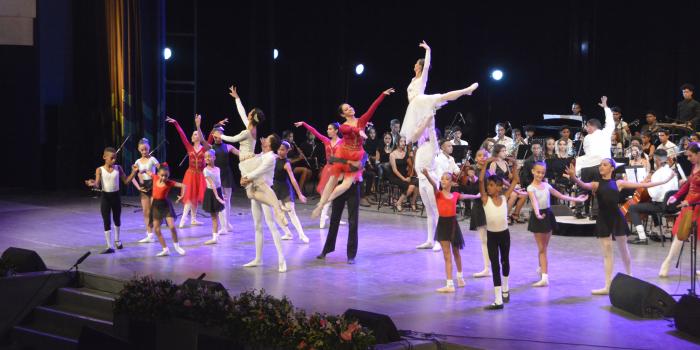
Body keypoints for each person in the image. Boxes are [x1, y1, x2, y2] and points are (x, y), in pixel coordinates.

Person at [399, 41, 478, 251]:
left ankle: (466, 91)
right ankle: (429, 239)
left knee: (442, 97)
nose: (417, 67)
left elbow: (426, 68)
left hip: (420, 103)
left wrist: (428, 50)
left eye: (419, 65)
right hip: (414, 108)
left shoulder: (421, 78)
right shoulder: (412, 79)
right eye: (418, 65)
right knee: (428, 207)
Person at [567, 159, 675, 294]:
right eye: (600, 165)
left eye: (605, 165)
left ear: (612, 168)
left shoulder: (619, 183)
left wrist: (665, 181)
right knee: (607, 252)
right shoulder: (596, 184)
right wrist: (573, 177)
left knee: (623, 250)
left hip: (617, 218)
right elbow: (582, 184)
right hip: (603, 219)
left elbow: (642, 185)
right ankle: (607, 285)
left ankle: (629, 276)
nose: (601, 167)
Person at [312, 88, 395, 218]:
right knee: (333, 178)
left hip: (357, 154)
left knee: (347, 184)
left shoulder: (362, 121)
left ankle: (324, 204)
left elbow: (372, 108)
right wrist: (359, 131)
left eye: (349, 107)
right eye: (346, 109)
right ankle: (321, 203)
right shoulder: (343, 125)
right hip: (344, 153)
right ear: (343, 115)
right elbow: (348, 129)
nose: (350, 109)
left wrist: (382, 95)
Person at [224, 86, 288, 226]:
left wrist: (220, 135)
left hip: (248, 163)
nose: (248, 113)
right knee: (255, 191)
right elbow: (242, 113)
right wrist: (237, 99)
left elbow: (234, 138)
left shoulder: (249, 131)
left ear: (252, 116)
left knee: (255, 190)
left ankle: (276, 206)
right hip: (248, 162)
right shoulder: (252, 128)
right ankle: (277, 206)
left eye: (250, 112)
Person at [527, 162, 587, 287]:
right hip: (538, 217)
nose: (540, 175)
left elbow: (560, 196)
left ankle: (541, 267)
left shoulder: (547, 185)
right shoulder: (530, 188)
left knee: (544, 247)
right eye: (538, 172)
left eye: (543, 173)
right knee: (542, 248)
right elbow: (534, 203)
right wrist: (537, 214)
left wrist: (577, 199)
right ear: (533, 171)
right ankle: (544, 277)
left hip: (548, 215)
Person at [423, 168, 481, 292]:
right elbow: (434, 184)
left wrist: (477, 196)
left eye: (447, 179)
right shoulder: (438, 193)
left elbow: (465, 196)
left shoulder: (455, 195)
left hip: (453, 225)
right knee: (447, 255)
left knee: (456, 253)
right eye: (442, 179)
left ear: (452, 183)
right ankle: (449, 285)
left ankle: (460, 277)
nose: (443, 180)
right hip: (443, 225)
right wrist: (427, 175)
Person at [240, 134, 288, 273]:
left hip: (265, 191)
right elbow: (250, 165)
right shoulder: (262, 154)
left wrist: (245, 179)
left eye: (268, 138)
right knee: (257, 226)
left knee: (272, 225)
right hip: (254, 190)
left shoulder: (271, 157)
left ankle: (281, 259)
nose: (265, 138)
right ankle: (258, 258)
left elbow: (257, 172)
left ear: (271, 143)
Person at [480, 157, 520, 310]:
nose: (488, 188)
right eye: (488, 186)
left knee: (505, 261)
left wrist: (515, 165)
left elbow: (515, 179)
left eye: (491, 185)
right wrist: (486, 164)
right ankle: (498, 300)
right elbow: (480, 181)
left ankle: (505, 288)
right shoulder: (485, 199)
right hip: (492, 236)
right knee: (495, 265)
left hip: (504, 235)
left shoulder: (504, 197)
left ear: (499, 187)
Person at [84, 147, 138, 254]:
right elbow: (98, 183)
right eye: (112, 158)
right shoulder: (99, 169)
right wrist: (92, 183)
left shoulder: (118, 168)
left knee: (117, 219)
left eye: (115, 158)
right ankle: (109, 246)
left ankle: (117, 240)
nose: (114, 160)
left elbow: (126, 182)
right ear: (104, 157)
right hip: (106, 198)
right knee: (106, 220)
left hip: (116, 197)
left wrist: (134, 172)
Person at [295, 121, 343, 229]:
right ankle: (323, 216)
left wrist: (362, 126)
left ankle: (335, 217)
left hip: (338, 170)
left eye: (330, 129)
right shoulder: (326, 141)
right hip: (328, 169)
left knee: (336, 196)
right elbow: (315, 132)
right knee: (327, 195)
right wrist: (304, 124)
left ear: (336, 131)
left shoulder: (342, 142)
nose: (327, 131)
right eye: (327, 129)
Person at [662, 142, 700, 278]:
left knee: (698, 239)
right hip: (688, 205)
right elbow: (689, 184)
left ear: (698, 154)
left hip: (697, 205)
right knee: (679, 235)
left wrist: (688, 201)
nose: (688, 159)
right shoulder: (695, 166)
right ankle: (667, 262)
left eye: (690, 156)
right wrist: (676, 196)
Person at [574, 96, 615, 219]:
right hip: (599, 166)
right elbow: (611, 122)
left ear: (592, 126)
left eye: (587, 126)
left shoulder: (587, 138)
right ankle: (595, 214)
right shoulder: (604, 134)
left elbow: (586, 151)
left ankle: (578, 211)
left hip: (587, 167)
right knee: (598, 190)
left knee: (583, 189)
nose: (586, 128)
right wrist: (606, 108)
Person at [166, 114, 210, 228]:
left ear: (201, 137)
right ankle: (183, 219)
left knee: (195, 197)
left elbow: (210, 137)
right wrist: (176, 123)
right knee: (190, 197)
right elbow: (182, 135)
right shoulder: (189, 147)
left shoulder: (205, 148)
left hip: (200, 175)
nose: (195, 135)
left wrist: (200, 126)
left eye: (197, 134)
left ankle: (194, 219)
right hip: (190, 175)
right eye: (194, 134)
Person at [628, 149, 678, 245]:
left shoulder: (657, 174)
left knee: (633, 208)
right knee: (652, 204)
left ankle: (642, 237)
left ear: (657, 160)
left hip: (662, 206)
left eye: (654, 160)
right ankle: (659, 231)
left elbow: (654, 195)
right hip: (672, 206)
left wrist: (646, 184)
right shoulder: (672, 172)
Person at [146, 164, 187, 256]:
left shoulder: (169, 183)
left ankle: (177, 246)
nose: (164, 177)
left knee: (172, 227)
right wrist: (142, 170)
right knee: (156, 229)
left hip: (165, 205)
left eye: (166, 176)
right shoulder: (155, 177)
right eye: (162, 175)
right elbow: (148, 171)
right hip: (156, 205)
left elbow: (184, 185)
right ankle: (165, 249)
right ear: (158, 174)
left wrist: (182, 195)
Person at [274, 141, 309, 243]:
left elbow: (293, 179)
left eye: (283, 150)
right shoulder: (274, 158)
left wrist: (300, 194)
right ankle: (288, 233)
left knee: (292, 213)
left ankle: (302, 235)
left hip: (285, 189)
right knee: (277, 214)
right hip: (276, 189)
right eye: (279, 149)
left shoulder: (287, 164)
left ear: (287, 151)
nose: (280, 152)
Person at [207, 124, 240, 234]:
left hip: (227, 175)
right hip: (217, 175)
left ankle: (226, 224)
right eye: (217, 134)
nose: (219, 136)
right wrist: (198, 126)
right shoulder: (211, 148)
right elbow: (202, 140)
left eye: (221, 134)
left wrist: (254, 155)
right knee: (221, 200)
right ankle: (224, 227)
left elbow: (240, 154)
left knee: (227, 201)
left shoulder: (228, 146)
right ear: (214, 135)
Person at [131, 138, 160, 243]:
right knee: (146, 212)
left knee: (154, 210)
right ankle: (150, 235)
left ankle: (157, 231)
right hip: (143, 187)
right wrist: (138, 186)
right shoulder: (137, 162)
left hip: (153, 185)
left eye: (146, 149)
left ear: (149, 149)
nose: (144, 152)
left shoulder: (152, 159)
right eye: (142, 150)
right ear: (139, 149)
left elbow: (162, 170)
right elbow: (134, 175)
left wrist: (152, 174)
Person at [202, 150, 227, 245]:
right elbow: (212, 184)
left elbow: (219, 183)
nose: (207, 158)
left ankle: (215, 237)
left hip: (218, 192)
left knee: (216, 216)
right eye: (206, 157)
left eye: (209, 156)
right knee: (214, 217)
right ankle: (215, 237)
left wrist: (221, 195)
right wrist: (217, 197)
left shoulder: (218, 169)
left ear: (214, 157)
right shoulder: (205, 170)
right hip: (211, 194)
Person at [389, 136, 419, 212]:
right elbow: (394, 170)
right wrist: (403, 178)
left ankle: (412, 202)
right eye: (401, 141)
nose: (403, 143)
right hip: (395, 176)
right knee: (409, 186)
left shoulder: (406, 153)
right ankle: (399, 203)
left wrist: (412, 157)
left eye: (404, 141)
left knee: (417, 182)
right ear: (397, 143)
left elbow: (412, 166)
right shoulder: (392, 154)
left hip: (406, 175)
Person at [282, 130, 313, 195]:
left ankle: (301, 187)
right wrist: (299, 158)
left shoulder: (292, 145)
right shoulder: (284, 146)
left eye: (292, 136)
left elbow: (294, 156)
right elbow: (288, 161)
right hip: (287, 166)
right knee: (304, 170)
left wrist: (299, 153)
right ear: (286, 138)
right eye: (290, 136)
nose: (292, 138)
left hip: (293, 166)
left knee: (309, 172)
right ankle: (299, 192)